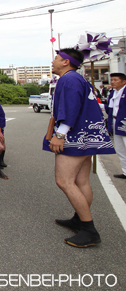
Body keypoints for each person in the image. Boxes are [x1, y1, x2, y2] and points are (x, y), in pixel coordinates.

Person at [45, 48, 115, 247]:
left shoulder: (69, 79)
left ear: (66, 62)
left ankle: (89, 229)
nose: (53, 61)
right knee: (81, 181)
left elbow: (71, 107)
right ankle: (79, 219)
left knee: (64, 181)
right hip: (87, 136)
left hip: (74, 136)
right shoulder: (78, 78)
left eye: (56, 58)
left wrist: (60, 135)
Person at [107, 73, 126, 179]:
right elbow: (109, 108)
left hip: (124, 122)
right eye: (112, 80)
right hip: (115, 121)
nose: (112, 82)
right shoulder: (113, 92)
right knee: (120, 149)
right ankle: (125, 171)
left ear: (123, 82)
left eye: (115, 80)